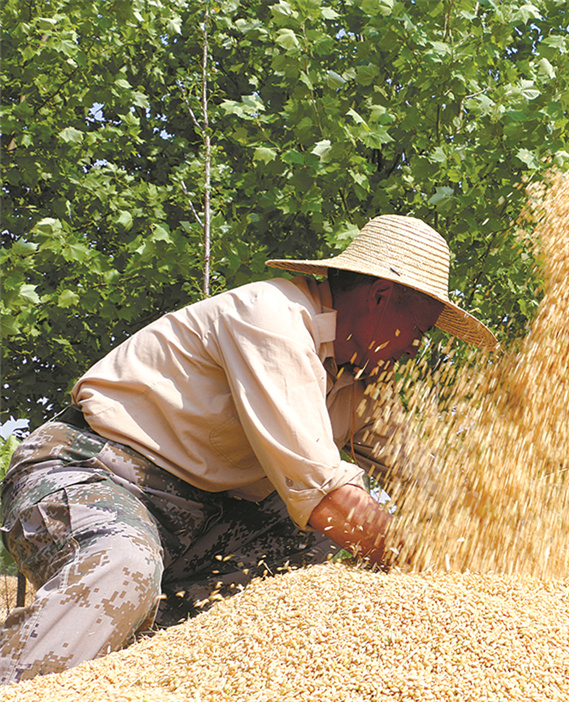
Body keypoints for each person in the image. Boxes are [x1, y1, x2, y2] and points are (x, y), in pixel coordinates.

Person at [0, 215, 497, 684]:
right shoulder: (273, 319)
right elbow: (326, 497)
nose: (416, 348)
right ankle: (27, 681)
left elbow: (422, 473)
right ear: (381, 297)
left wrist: (489, 528)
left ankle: (148, 666)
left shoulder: (357, 374)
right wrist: (445, 563)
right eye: (419, 331)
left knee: (313, 552)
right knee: (124, 565)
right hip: (94, 473)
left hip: (197, 517)